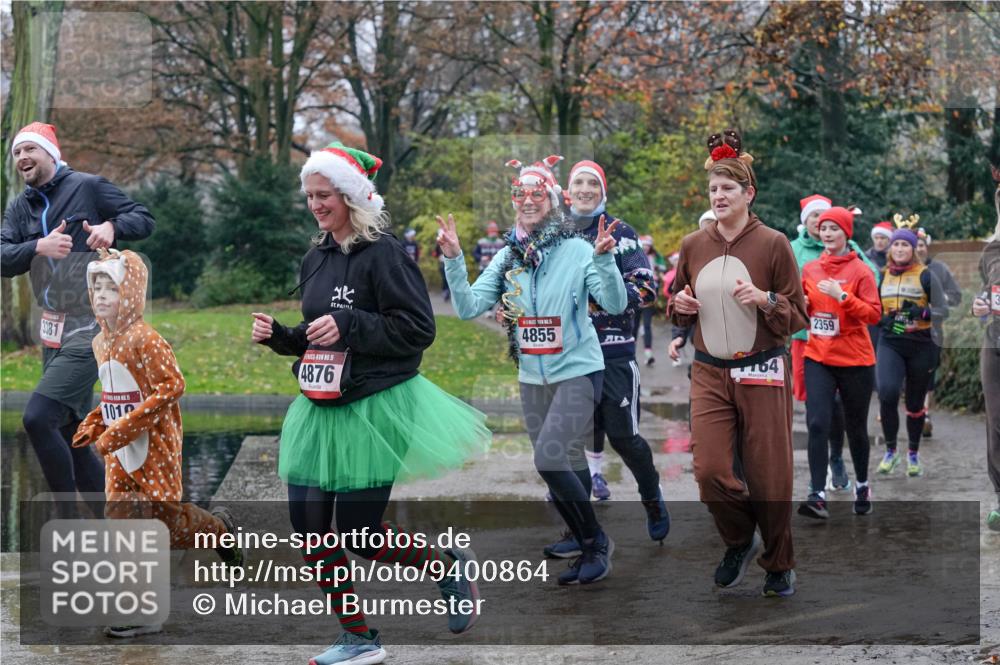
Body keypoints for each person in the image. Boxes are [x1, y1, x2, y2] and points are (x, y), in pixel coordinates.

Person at [251, 142, 491, 665]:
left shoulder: (385, 254)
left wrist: (352, 324)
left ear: (352, 196)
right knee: (309, 528)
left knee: (359, 533)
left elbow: (418, 330)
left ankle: (446, 566)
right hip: (321, 404)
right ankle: (360, 637)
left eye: (326, 195)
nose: (316, 204)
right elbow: (320, 337)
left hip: (377, 403)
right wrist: (281, 336)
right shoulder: (316, 255)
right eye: (310, 195)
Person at [437, 154, 627, 586]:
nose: (527, 200)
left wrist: (603, 260)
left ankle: (597, 543)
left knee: (549, 457)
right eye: (519, 193)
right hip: (531, 376)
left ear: (553, 200)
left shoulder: (579, 249)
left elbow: (614, 304)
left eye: (536, 193)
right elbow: (468, 307)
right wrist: (453, 258)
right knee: (567, 457)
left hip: (579, 369)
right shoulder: (508, 256)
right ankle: (579, 536)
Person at [71, 249, 242, 637]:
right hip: (119, 455)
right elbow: (115, 392)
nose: (100, 296)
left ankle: (219, 531)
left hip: (156, 450)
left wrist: (119, 430)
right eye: (96, 287)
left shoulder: (146, 340)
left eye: (110, 288)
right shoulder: (101, 342)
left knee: (163, 523)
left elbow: (171, 387)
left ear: (131, 293)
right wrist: (96, 421)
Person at [670, 129, 807, 598]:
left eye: (728, 187)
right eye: (713, 188)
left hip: (764, 368)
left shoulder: (774, 244)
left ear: (749, 193)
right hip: (708, 371)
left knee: (770, 474)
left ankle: (779, 562)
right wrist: (680, 308)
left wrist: (766, 299)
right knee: (709, 470)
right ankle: (737, 540)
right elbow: (678, 300)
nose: (719, 195)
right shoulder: (693, 244)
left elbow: (798, 315)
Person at [1, 122, 155, 518]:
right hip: (53, 331)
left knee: (37, 418)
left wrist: (112, 226)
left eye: (29, 150)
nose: (22, 158)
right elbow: (3, 257)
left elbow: (143, 218)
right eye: (17, 153)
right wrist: (38, 245)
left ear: (50, 154)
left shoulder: (88, 186)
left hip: (93, 326)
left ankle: (68, 523)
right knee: (71, 433)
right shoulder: (21, 207)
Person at [564, 159, 670, 539]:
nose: (586, 189)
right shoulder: (554, 234)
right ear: (568, 190)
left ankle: (651, 495)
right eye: (579, 182)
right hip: (569, 356)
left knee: (624, 438)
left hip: (614, 353)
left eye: (593, 183)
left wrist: (601, 297)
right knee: (570, 440)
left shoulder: (622, 233)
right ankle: (576, 531)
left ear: (602, 190)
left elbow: (646, 289)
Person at [795, 208, 881, 519]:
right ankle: (817, 494)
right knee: (817, 423)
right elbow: (803, 308)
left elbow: (873, 314)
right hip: (818, 355)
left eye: (834, 228)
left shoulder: (861, 271)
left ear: (846, 233)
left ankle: (862, 484)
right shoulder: (811, 270)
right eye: (823, 228)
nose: (827, 233)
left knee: (856, 428)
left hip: (856, 359)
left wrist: (843, 296)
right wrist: (802, 306)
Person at [874, 215, 948, 478]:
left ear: (913, 249)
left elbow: (943, 311)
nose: (901, 250)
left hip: (921, 344)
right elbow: (873, 311)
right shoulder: (882, 276)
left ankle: (913, 453)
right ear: (890, 249)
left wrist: (921, 313)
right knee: (888, 392)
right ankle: (891, 451)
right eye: (896, 246)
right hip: (891, 342)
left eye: (906, 246)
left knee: (916, 403)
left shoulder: (926, 275)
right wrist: (886, 320)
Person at [914, 228, 963, 437]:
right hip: (905, 329)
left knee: (928, 372)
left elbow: (956, 296)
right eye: (914, 245)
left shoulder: (939, 269)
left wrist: (940, 298)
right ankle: (913, 412)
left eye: (922, 245)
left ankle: (925, 414)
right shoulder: (900, 271)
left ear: (927, 247)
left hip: (933, 328)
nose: (918, 249)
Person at [975, 164, 1000, 530]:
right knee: (996, 422)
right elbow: (988, 292)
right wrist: (980, 305)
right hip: (995, 342)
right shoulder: (992, 251)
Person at [635, 234, 666, 366]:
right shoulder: (634, 255)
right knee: (634, 326)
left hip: (649, 296)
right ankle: (631, 354)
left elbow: (663, 268)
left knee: (647, 325)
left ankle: (648, 354)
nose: (646, 248)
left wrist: (659, 273)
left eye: (648, 245)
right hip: (636, 296)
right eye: (644, 245)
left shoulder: (656, 256)